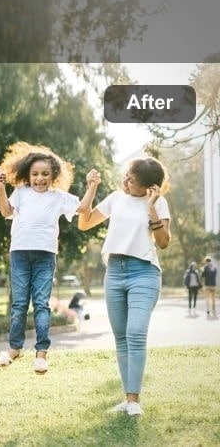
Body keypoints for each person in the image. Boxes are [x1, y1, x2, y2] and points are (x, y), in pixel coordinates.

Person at [0, 142, 100, 374]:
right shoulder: (21, 193)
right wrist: (0, 188)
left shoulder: (58, 197)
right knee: (20, 304)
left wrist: (92, 186)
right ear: (27, 175)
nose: (39, 178)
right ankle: (14, 349)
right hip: (20, 253)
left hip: (45, 256)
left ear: (54, 176)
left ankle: (41, 354)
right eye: (35, 174)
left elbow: (82, 208)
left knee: (41, 304)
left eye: (45, 174)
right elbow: (5, 211)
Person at [78, 157, 171, 416]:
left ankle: (134, 401)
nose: (125, 181)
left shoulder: (159, 202)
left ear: (149, 186)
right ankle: (128, 400)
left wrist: (151, 207)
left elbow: (163, 242)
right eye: (126, 176)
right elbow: (84, 224)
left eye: (132, 179)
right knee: (121, 338)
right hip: (115, 272)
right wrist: (92, 188)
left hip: (144, 272)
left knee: (136, 333)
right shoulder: (116, 198)